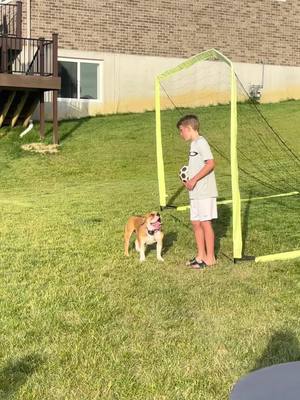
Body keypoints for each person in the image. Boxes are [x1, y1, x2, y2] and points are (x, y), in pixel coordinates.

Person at [177, 114, 218, 268]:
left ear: (189, 128)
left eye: (181, 131)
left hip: (205, 191)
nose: (181, 134)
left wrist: (194, 180)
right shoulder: (193, 144)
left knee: (205, 223)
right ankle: (200, 256)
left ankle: (210, 258)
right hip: (195, 193)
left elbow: (210, 163)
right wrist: (188, 179)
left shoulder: (201, 142)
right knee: (196, 223)